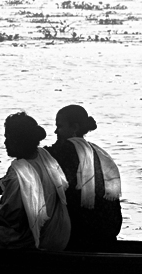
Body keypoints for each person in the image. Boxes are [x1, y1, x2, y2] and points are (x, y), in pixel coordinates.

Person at [0, 112, 71, 251]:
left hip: (26, 241)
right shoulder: (42, 155)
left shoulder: (19, 173)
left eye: (7, 138)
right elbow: (1, 185)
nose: (4, 143)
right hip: (57, 235)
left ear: (17, 141)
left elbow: (5, 216)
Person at [48, 104, 123, 251]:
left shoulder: (63, 151)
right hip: (107, 230)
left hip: (82, 232)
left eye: (59, 126)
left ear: (74, 127)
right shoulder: (98, 152)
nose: (56, 131)